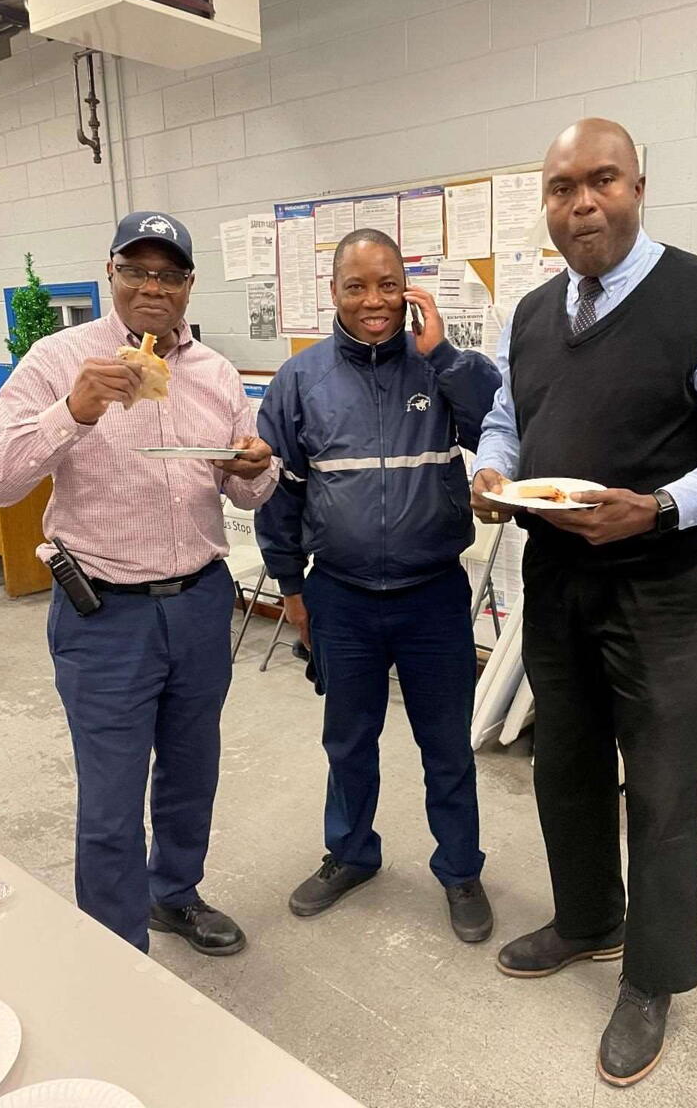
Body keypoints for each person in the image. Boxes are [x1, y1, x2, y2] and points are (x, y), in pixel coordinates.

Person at [472, 120, 697, 1087]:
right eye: (562, 186)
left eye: (600, 180)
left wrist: (658, 507)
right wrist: (494, 470)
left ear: (639, 184)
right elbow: (504, 416)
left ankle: (651, 978)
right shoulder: (530, 313)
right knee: (564, 765)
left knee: (656, 793)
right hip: (556, 578)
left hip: (658, 588)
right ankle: (586, 921)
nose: (581, 203)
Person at [0, 211, 276, 956]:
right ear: (111, 273)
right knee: (109, 805)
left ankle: (175, 894)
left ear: (189, 286)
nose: (151, 287)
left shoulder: (215, 374)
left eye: (168, 274)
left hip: (202, 603)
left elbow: (248, 494)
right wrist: (73, 412)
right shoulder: (57, 360)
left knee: (191, 774)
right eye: (135, 270)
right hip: (104, 617)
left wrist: (255, 470)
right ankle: (115, 953)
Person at [255, 228, 501, 942]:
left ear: (408, 289)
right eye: (356, 286)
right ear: (333, 293)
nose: (374, 301)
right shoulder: (299, 380)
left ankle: (459, 869)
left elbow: (498, 423)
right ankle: (351, 854)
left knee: (447, 745)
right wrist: (289, 586)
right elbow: (280, 489)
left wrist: (446, 355)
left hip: (432, 598)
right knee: (349, 740)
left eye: (388, 284)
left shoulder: (439, 369)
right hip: (341, 597)